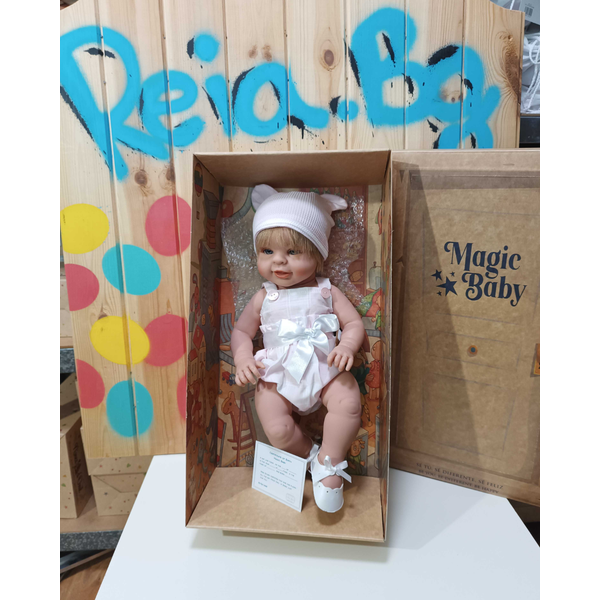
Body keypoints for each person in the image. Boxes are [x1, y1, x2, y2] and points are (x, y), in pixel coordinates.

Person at [231, 185, 365, 513]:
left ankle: (331, 460)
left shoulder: (327, 291)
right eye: (267, 251)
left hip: (325, 366)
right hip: (277, 374)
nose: (279, 260)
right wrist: (243, 357)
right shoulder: (263, 297)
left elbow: (353, 323)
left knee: (348, 402)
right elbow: (241, 331)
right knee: (277, 428)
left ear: (318, 255)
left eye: (293, 252)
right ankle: (311, 457)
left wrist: (348, 345)